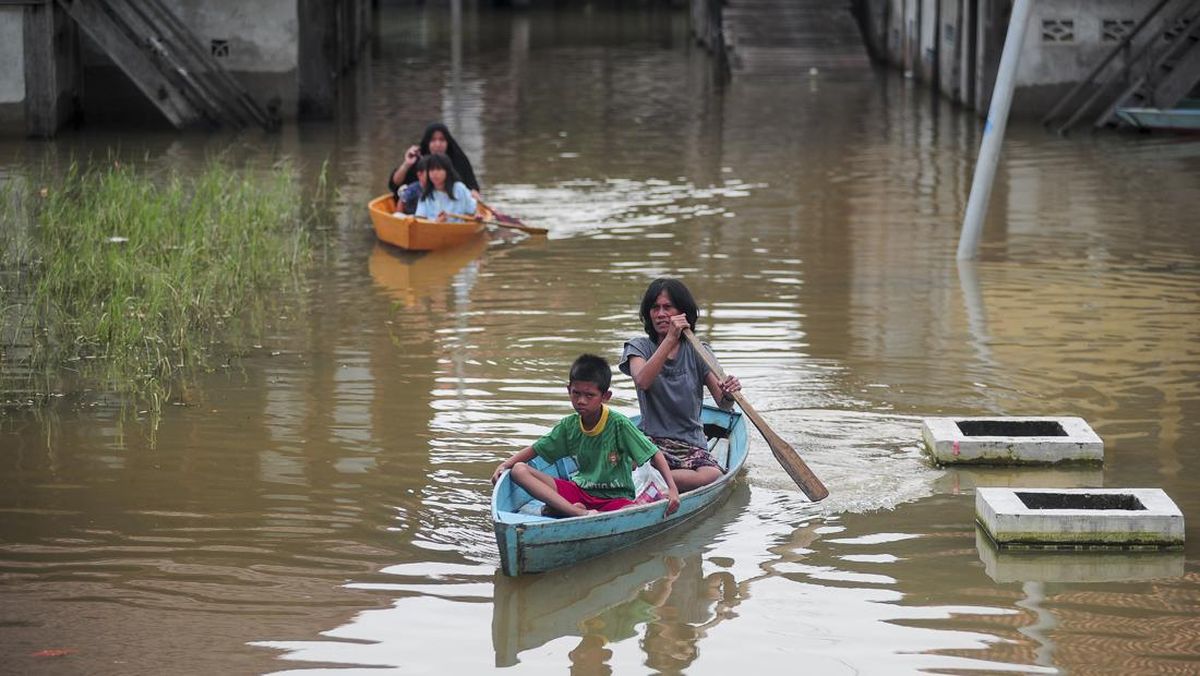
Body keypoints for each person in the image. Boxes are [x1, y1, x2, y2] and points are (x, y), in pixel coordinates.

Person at [491, 354, 680, 518]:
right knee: (519, 470)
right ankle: (577, 512)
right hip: (580, 492)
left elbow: (655, 454)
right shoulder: (568, 426)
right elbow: (536, 449)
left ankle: (563, 510)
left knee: (629, 511)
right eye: (576, 394)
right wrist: (506, 464)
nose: (581, 401)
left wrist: (672, 490)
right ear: (568, 391)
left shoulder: (619, 424)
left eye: (589, 395)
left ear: (606, 396)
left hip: (614, 498)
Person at [619, 278, 741, 492]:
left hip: (690, 445)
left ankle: (654, 481)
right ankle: (656, 480)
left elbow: (723, 404)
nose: (660, 314)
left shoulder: (698, 350)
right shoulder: (638, 348)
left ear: (682, 312)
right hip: (650, 442)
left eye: (667, 307)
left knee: (712, 475)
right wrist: (670, 339)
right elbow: (643, 381)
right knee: (615, 465)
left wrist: (730, 393)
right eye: (655, 308)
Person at [388, 122, 481, 200]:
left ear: (447, 142)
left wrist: (474, 194)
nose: (438, 144)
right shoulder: (419, 159)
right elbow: (395, 185)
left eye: (442, 140)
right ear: (427, 143)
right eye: (433, 140)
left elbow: (472, 186)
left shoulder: (458, 159)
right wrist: (406, 164)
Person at [414, 153, 477, 222]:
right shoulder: (425, 195)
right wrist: (436, 222)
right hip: (433, 230)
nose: (434, 173)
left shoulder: (459, 188)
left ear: (447, 171)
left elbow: (473, 211)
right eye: (431, 170)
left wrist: (477, 216)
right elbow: (419, 221)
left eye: (439, 169)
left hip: (459, 230)